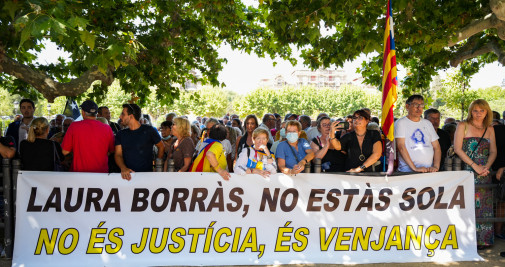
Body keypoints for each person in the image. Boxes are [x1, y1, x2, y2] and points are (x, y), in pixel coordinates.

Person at [454, 99, 496, 249]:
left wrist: (486, 167)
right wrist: (475, 166)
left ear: (487, 112)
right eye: (475, 110)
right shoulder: (462, 125)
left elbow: (493, 151)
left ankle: (483, 240)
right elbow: (458, 149)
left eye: (482, 111)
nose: (478, 114)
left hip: (485, 173)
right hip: (466, 171)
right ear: (471, 111)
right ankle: (467, 240)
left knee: (484, 206)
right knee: (468, 205)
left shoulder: (490, 129)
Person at [61, 100, 115, 173]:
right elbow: (112, 150)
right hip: (101, 173)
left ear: (83, 112)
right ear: (96, 113)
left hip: (79, 173)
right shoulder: (107, 128)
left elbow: (65, 151)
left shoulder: (74, 126)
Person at [115, 104, 164, 180]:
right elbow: (118, 154)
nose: (120, 117)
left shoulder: (150, 130)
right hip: (127, 177)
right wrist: (123, 168)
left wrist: (156, 166)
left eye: (123, 114)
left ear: (131, 116)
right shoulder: (120, 134)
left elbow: (161, 146)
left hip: (147, 177)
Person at [395, 95, 441, 172]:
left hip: (428, 171)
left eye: (422, 105)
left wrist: (436, 166)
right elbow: (401, 147)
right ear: (407, 106)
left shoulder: (427, 123)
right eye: (416, 104)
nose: (419, 108)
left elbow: (437, 147)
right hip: (408, 172)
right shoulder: (401, 123)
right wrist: (414, 168)